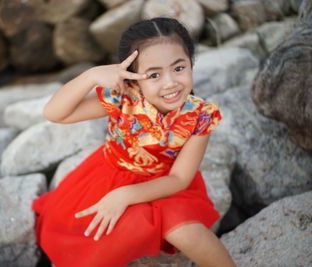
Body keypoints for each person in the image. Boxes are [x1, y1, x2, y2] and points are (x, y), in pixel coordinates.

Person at [32, 17, 236, 267]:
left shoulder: (200, 116)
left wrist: (126, 195)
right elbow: (55, 113)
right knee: (86, 241)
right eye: (153, 74)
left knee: (182, 228)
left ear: (191, 64)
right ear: (133, 77)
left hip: (165, 184)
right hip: (109, 176)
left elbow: (179, 179)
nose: (170, 82)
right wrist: (91, 75)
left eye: (179, 68)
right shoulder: (123, 98)